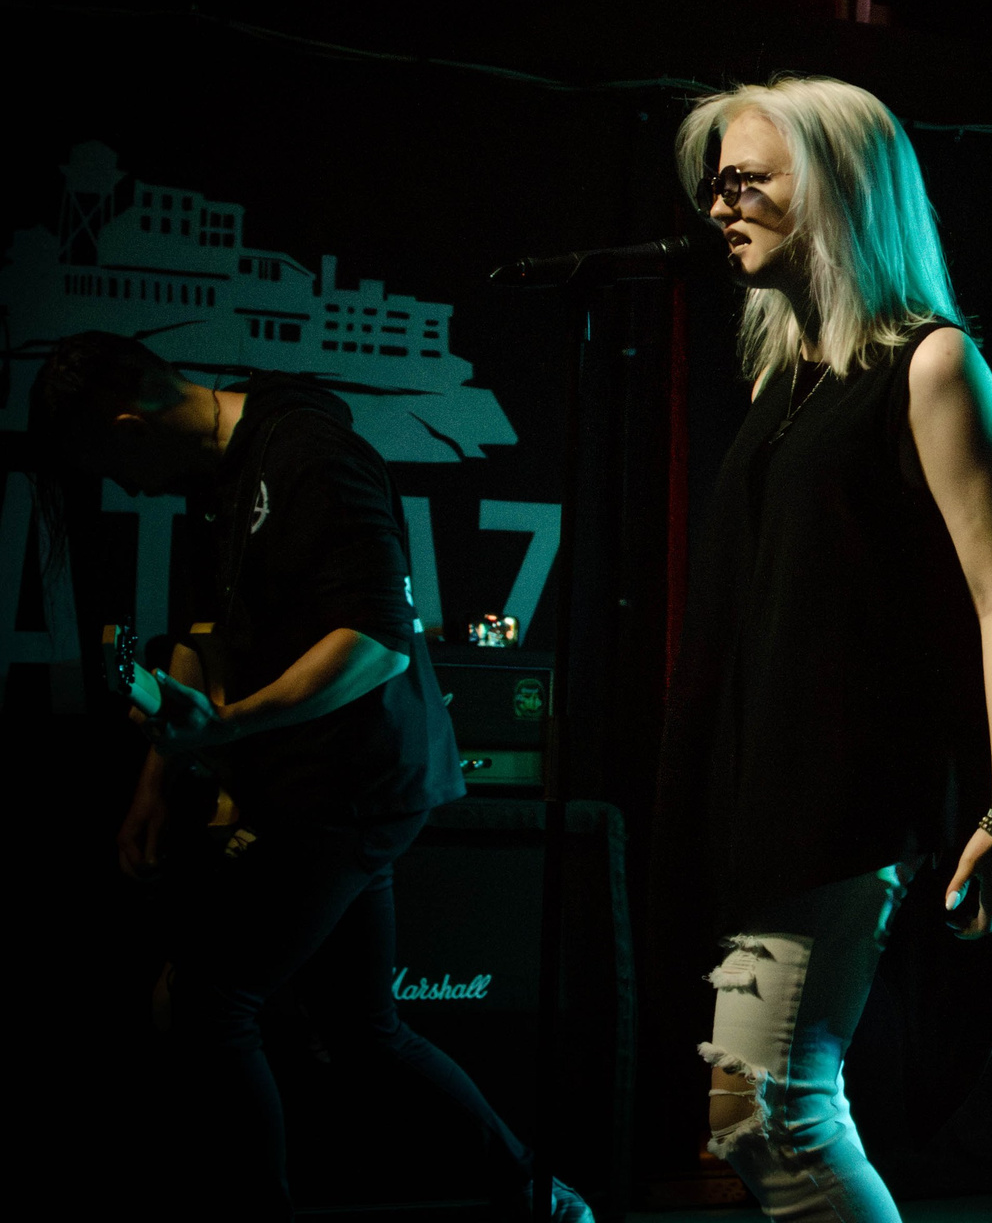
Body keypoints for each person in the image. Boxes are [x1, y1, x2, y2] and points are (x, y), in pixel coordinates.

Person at [34, 330, 586, 1222]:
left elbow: (372, 648)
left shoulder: (309, 459)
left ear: (131, 427)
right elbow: (209, 635)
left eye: (110, 466)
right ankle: (539, 1197)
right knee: (363, 1033)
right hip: (324, 781)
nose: (125, 490)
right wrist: (157, 772)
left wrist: (228, 728)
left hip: (356, 784)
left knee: (208, 1002)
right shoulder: (224, 470)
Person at [655, 76, 992, 1223]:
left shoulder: (930, 366)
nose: (720, 207)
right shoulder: (787, 381)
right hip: (758, 790)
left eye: (748, 182)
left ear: (835, 188)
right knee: (745, 1114)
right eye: (713, 185)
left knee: (774, 1109)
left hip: (841, 797)